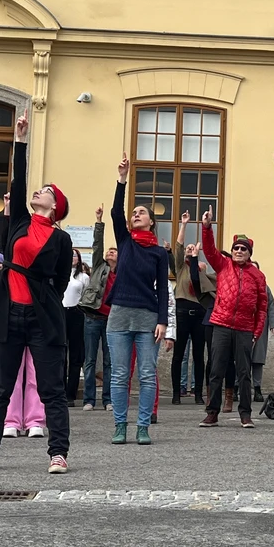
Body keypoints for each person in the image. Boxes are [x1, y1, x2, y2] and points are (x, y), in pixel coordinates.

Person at [0, 113, 73, 475]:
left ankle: (58, 453)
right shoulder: (19, 223)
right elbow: (19, 177)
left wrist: (42, 298)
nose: (38, 191)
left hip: (42, 319)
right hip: (7, 314)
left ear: (55, 205)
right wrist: (21, 140)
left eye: (46, 191)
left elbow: (60, 281)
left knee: (51, 390)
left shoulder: (61, 238)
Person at [104, 154, 171, 446]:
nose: (135, 214)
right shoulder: (125, 241)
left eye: (141, 212)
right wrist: (122, 179)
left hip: (146, 318)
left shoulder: (158, 253)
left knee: (146, 374)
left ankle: (143, 427)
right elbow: (116, 213)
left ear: (152, 222)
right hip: (119, 314)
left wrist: (163, 321)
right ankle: (120, 425)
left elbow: (163, 290)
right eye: (134, 212)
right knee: (119, 375)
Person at [199, 208, 268, 428]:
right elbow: (209, 250)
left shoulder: (257, 276)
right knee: (216, 370)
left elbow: (262, 307)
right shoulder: (222, 265)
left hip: (245, 329)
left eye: (243, 249)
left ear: (249, 253)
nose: (239, 251)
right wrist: (207, 227)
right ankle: (212, 412)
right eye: (236, 248)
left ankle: (245, 415)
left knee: (244, 374)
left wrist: (257, 332)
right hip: (220, 324)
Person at [171, 225, 214, 408]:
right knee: (178, 354)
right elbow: (178, 247)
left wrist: (197, 258)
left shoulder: (200, 270)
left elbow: (200, 280)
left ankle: (198, 393)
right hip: (182, 311)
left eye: (192, 248)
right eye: (188, 248)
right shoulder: (180, 268)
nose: (189, 249)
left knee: (198, 355)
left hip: (199, 313)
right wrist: (183, 225)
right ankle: (176, 394)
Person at [77, 210, 116, 411]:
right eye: (108, 251)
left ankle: (108, 400)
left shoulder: (122, 272)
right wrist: (99, 222)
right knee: (90, 360)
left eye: (113, 251)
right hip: (92, 317)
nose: (109, 253)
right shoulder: (100, 266)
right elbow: (97, 245)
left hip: (111, 320)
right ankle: (89, 400)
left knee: (109, 362)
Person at [63, 249, 90, 405]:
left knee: (75, 355)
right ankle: (59, 391)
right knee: (60, 354)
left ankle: (70, 394)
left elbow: (86, 296)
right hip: (61, 312)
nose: (72, 257)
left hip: (76, 312)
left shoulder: (83, 277)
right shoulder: (59, 273)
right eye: (70, 254)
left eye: (75, 255)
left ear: (79, 259)